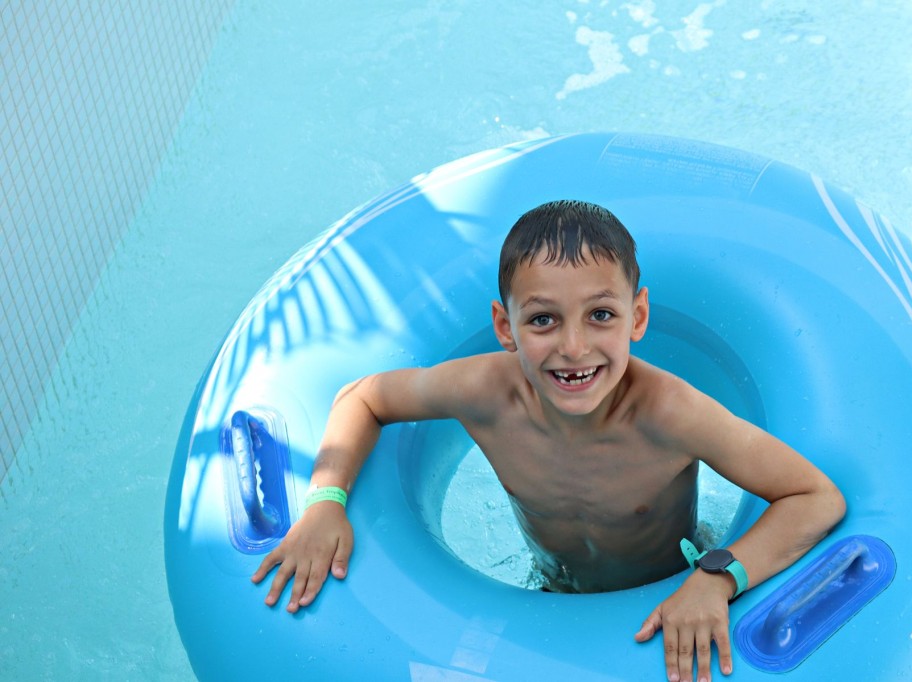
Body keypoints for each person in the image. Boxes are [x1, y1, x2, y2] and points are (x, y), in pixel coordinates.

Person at [252, 199, 846, 682]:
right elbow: (361, 397)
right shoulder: (483, 393)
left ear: (638, 317)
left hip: (671, 580)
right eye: (542, 319)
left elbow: (814, 497)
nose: (573, 347)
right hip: (552, 588)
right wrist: (325, 503)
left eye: (601, 315)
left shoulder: (671, 415)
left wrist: (717, 577)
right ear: (504, 326)